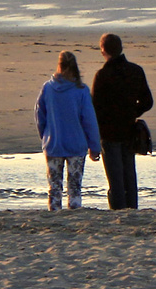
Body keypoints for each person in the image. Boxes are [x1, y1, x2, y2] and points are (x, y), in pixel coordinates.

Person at [91, 32, 155, 210]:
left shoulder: (102, 75)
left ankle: (118, 211)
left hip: (108, 132)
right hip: (128, 129)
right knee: (129, 174)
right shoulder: (135, 71)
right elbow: (148, 102)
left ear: (103, 50)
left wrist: (93, 139)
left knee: (115, 178)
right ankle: (131, 209)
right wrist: (132, 112)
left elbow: (94, 109)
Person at [34, 50, 101, 211]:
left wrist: (45, 135)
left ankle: (54, 212)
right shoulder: (81, 90)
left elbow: (39, 115)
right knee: (75, 187)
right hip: (76, 145)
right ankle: (74, 211)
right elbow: (89, 121)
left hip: (54, 144)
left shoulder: (48, 88)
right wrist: (95, 146)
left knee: (54, 188)